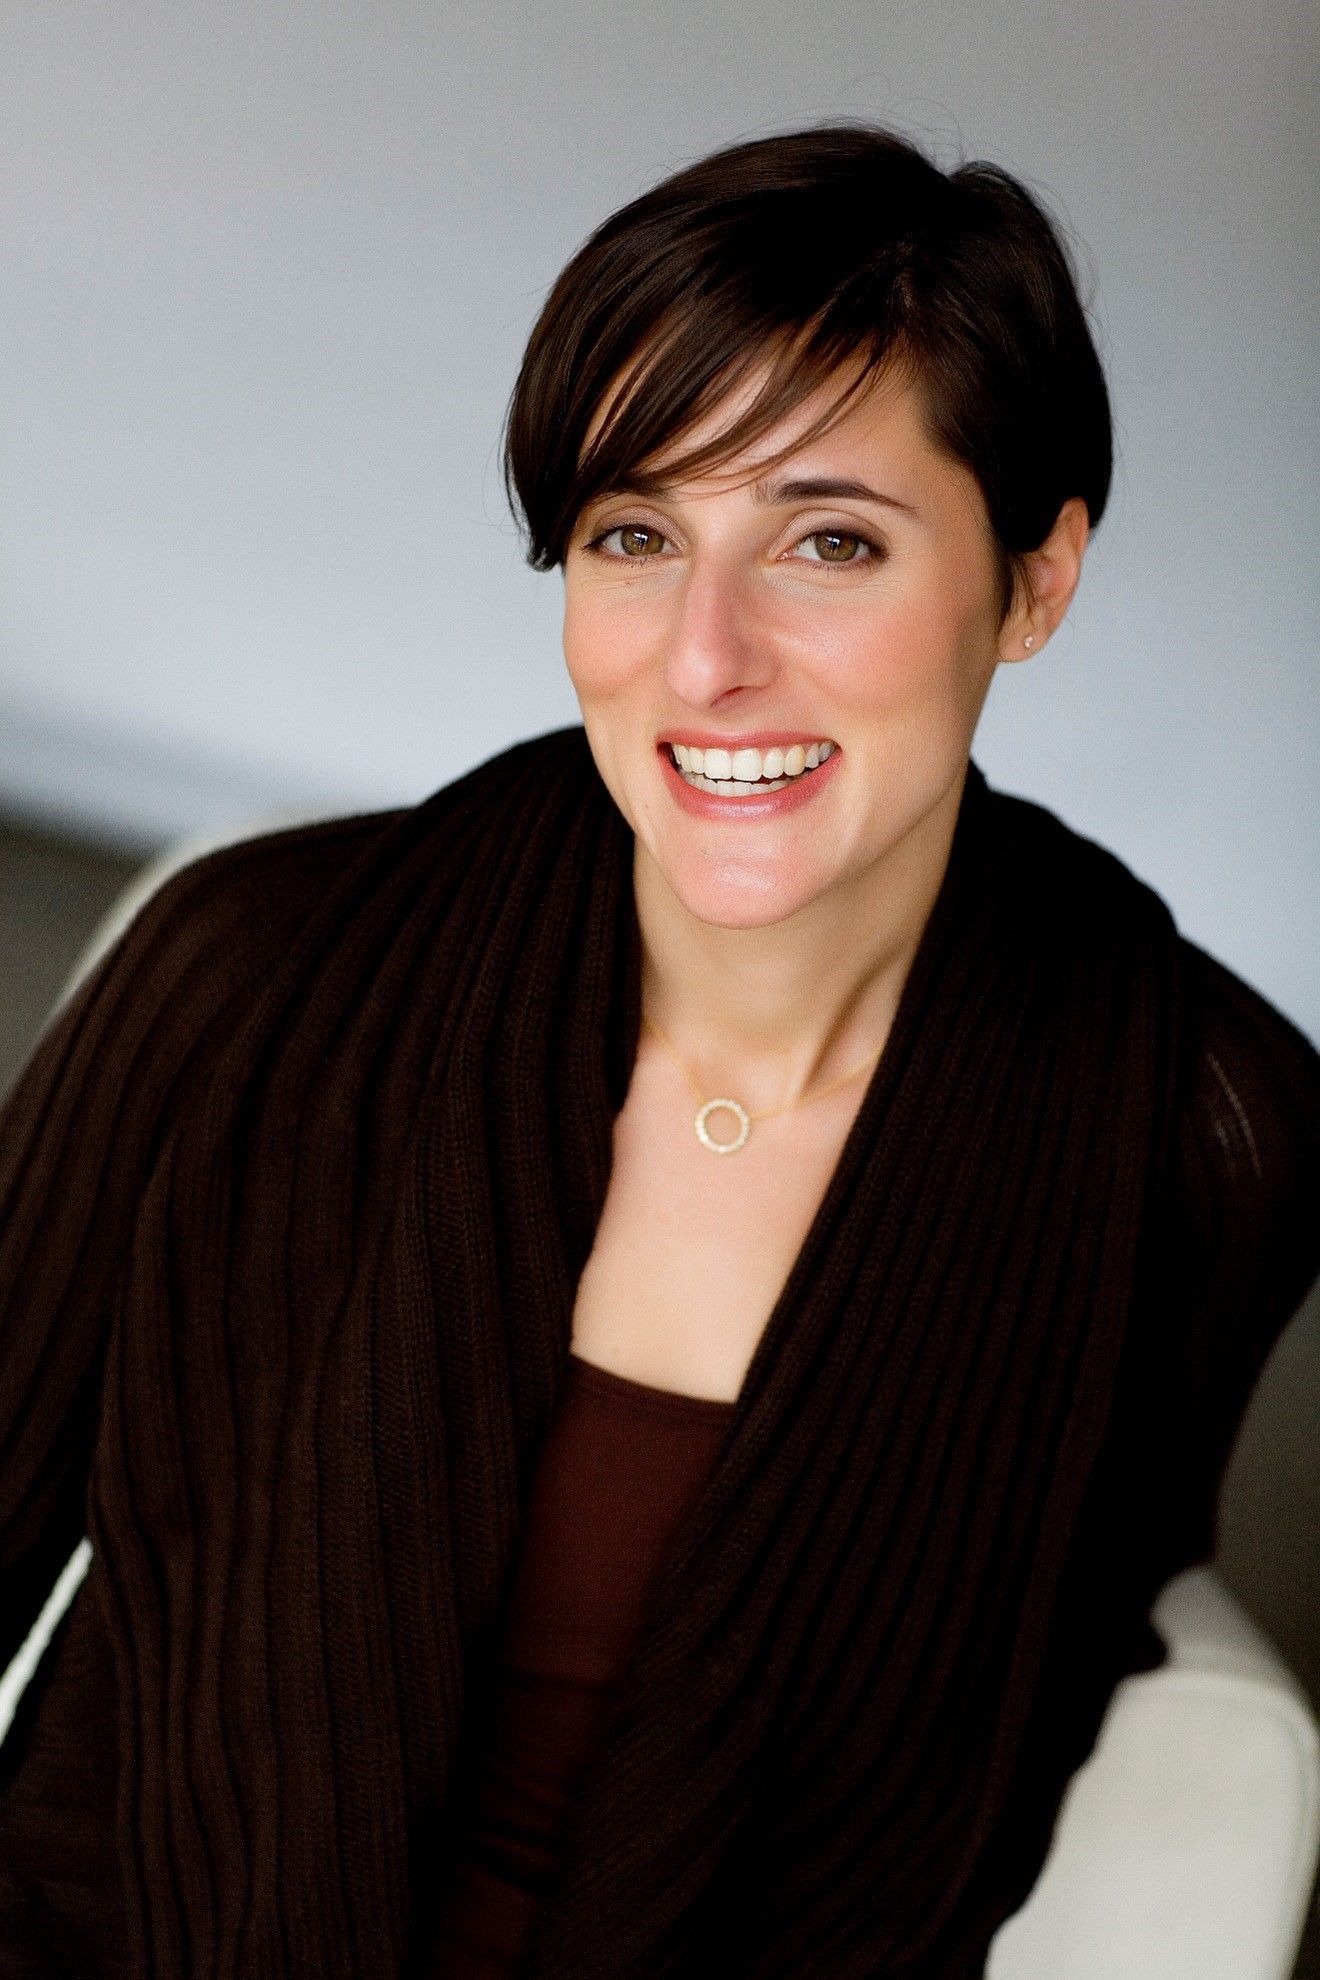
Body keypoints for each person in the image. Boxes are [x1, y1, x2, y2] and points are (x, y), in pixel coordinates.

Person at [0, 121, 1316, 1980]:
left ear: (1035, 581)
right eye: (636, 536)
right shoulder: (251, 977)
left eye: (830, 542)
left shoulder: (1199, 1129)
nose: (706, 657)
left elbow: (1005, 1737)